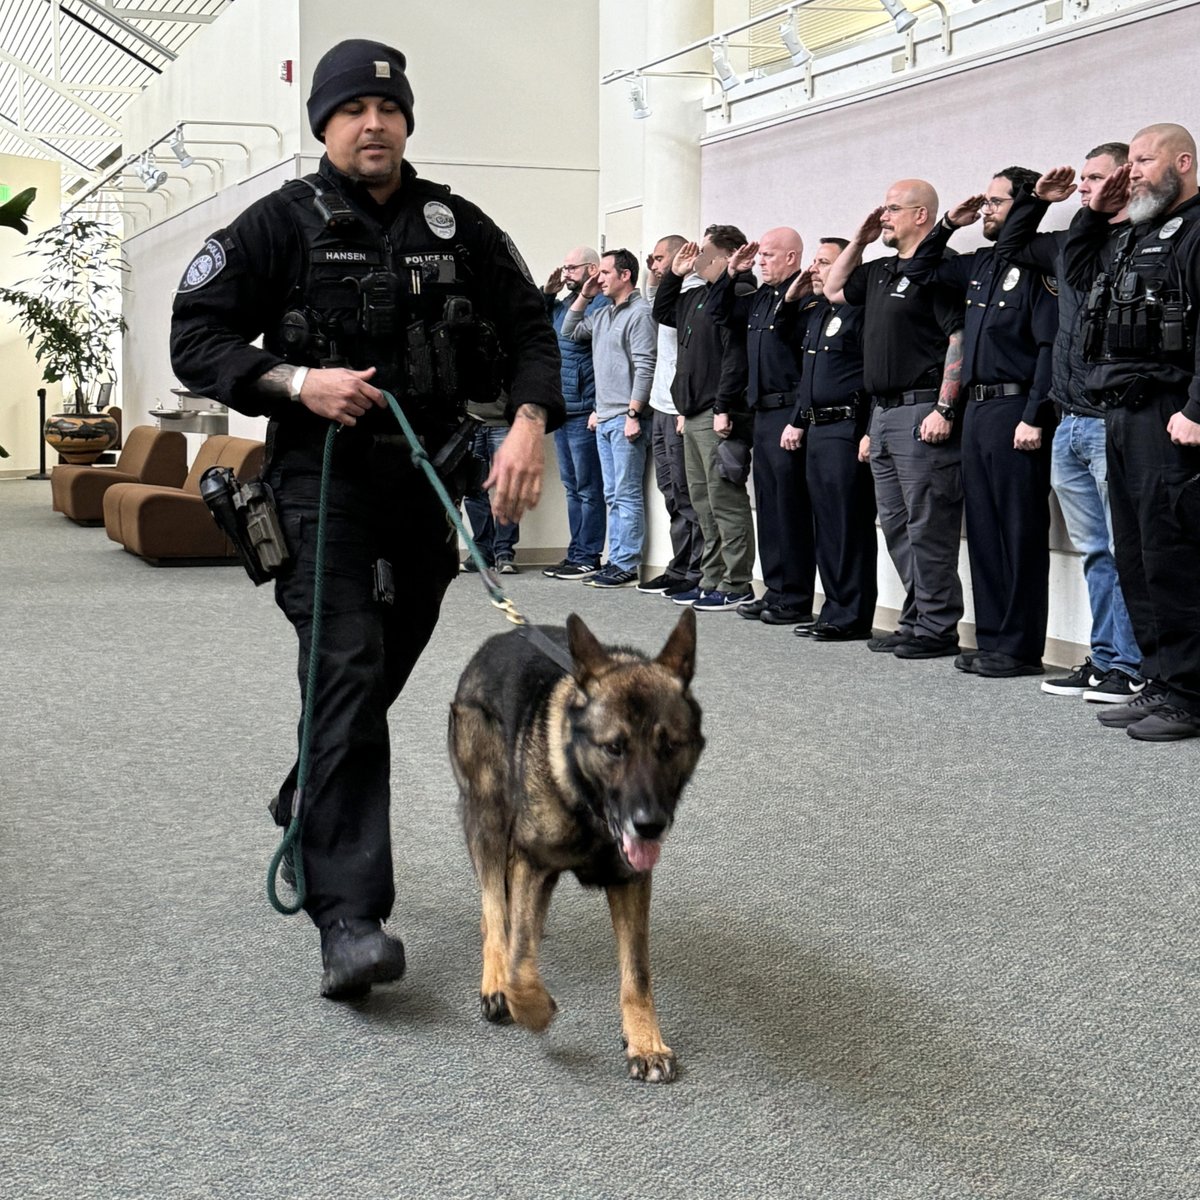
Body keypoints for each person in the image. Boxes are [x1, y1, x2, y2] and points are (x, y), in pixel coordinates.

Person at [169, 39, 563, 997]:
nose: (372, 124)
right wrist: (298, 381)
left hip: (427, 485)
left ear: (407, 122)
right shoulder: (279, 226)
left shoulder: (457, 225)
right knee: (343, 663)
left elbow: (529, 330)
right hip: (319, 479)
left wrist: (526, 423)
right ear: (326, 125)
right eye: (351, 111)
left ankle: (311, 785)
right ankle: (350, 918)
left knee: (386, 658)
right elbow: (195, 336)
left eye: (387, 110)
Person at [1061, 122, 1200, 742]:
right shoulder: (1134, 234)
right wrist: (1094, 207)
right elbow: (1076, 270)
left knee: (1173, 557)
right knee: (1137, 556)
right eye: (1131, 161)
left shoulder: (1196, 230)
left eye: (1144, 161)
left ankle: (1191, 694)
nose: (1133, 171)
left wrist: (1197, 409)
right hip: (1118, 413)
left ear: (1185, 162)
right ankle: (1162, 681)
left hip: (1170, 411)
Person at [991, 145, 1145, 702]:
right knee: (1096, 551)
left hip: (1113, 420)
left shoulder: (1140, 242)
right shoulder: (1067, 244)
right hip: (1069, 422)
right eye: (1082, 179)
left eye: (1097, 178)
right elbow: (1008, 247)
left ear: (1126, 180)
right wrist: (1036, 201)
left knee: (1127, 548)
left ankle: (1131, 663)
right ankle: (1106, 658)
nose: (1085, 187)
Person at [899, 167, 1058, 677]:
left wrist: (1035, 414)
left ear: (1023, 206)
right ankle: (992, 639)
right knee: (985, 531)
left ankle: (1019, 647)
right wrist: (948, 223)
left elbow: (1047, 347)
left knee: (1019, 532)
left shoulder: (1037, 266)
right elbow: (920, 268)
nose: (986, 210)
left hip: (1017, 411)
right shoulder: (980, 263)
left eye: (995, 202)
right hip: (979, 410)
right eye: (985, 202)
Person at [823, 180, 966, 659]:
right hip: (882, 415)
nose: (883, 215)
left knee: (929, 525)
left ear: (921, 215)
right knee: (898, 527)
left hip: (922, 409)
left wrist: (945, 407)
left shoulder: (938, 270)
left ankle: (939, 626)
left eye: (893, 209)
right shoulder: (880, 269)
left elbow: (957, 340)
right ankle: (917, 618)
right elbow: (834, 288)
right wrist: (860, 240)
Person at [709, 227, 817, 626]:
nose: (761, 261)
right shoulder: (758, 300)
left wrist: (798, 420)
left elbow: (808, 367)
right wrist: (732, 274)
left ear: (792, 258)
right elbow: (719, 313)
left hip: (788, 412)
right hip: (761, 414)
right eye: (759, 256)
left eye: (769, 255)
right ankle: (774, 589)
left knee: (791, 509)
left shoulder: (803, 298)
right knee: (768, 509)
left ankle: (795, 596)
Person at [652, 225, 757, 611]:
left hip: (718, 413)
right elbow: (662, 311)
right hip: (692, 412)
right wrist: (674, 276)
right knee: (701, 502)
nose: (694, 259)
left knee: (724, 501)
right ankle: (711, 577)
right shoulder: (696, 295)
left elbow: (735, 357)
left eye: (702, 254)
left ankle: (737, 581)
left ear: (722, 257)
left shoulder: (741, 294)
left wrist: (723, 407)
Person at [781, 238, 878, 640]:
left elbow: (872, 376)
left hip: (846, 427)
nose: (814, 269)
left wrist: (870, 429)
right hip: (818, 428)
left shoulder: (859, 312)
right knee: (825, 523)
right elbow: (784, 341)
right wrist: (799, 420)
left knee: (848, 523)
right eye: (815, 261)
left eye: (824, 262)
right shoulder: (818, 313)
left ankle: (852, 615)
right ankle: (833, 608)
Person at [560, 247, 657, 588]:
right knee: (611, 494)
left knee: (626, 494)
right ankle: (615, 559)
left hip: (626, 418)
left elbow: (646, 366)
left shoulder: (640, 313)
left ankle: (626, 564)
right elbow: (569, 331)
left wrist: (634, 412)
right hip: (604, 417)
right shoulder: (603, 315)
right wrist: (585, 296)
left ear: (625, 275)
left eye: (603, 273)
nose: (597, 278)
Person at [640, 234, 704, 598]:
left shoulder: (692, 291)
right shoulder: (667, 294)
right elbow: (654, 302)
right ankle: (678, 566)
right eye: (651, 259)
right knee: (671, 493)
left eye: (659, 258)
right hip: (661, 406)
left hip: (681, 408)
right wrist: (656, 271)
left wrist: (683, 409)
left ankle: (695, 570)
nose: (654, 265)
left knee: (687, 494)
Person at [541, 247, 608, 580]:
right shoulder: (563, 304)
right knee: (572, 487)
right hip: (561, 408)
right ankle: (575, 552)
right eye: (564, 267)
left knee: (588, 487)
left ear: (591, 269)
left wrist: (598, 405)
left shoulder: (599, 304)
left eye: (571, 268)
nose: (565, 272)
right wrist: (547, 294)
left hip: (585, 409)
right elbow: (539, 331)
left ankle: (588, 555)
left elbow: (602, 358)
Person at [461, 394, 520, 573]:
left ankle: (504, 552)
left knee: (507, 490)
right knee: (473, 490)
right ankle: (482, 550)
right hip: (469, 421)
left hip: (505, 422)